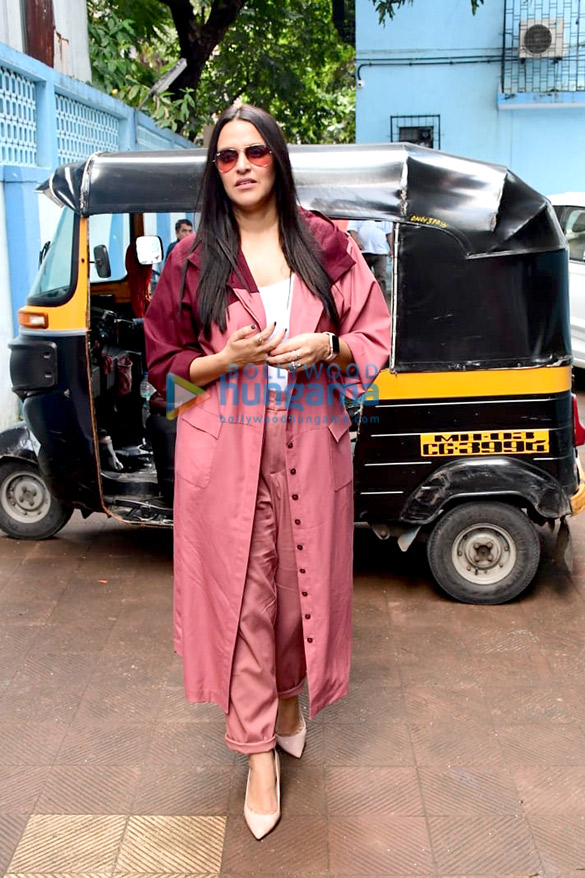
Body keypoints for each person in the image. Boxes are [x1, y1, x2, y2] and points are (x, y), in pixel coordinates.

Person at [144, 104, 390, 840]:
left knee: (295, 594)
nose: (243, 165)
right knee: (245, 602)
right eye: (227, 156)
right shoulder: (192, 260)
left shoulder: (327, 244)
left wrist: (328, 349)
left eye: (255, 152)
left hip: (311, 443)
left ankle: (289, 698)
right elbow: (164, 373)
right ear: (214, 171)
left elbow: (374, 336)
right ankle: (256, 754)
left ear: (277, 160)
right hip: (224, 453)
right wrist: (224, 361)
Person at [347, 218, 393, 304]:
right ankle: (363, 303)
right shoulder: (360, 213)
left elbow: (389, 233)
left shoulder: (384, 215)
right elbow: (352, 229)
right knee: (363, 279)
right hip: (363, 252)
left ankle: (381, 303)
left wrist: (391, 248)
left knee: (381, 278)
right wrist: (357, 242)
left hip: (380, 252)